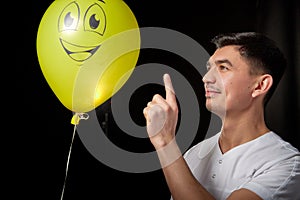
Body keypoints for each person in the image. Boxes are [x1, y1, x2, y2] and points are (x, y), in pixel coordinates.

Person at [143, 32, 300, 200]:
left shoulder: (286, 164)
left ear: (260, 85)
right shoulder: (193, 155)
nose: (206, 78)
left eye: (223, 68)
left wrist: (166, 142)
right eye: (209, 69)